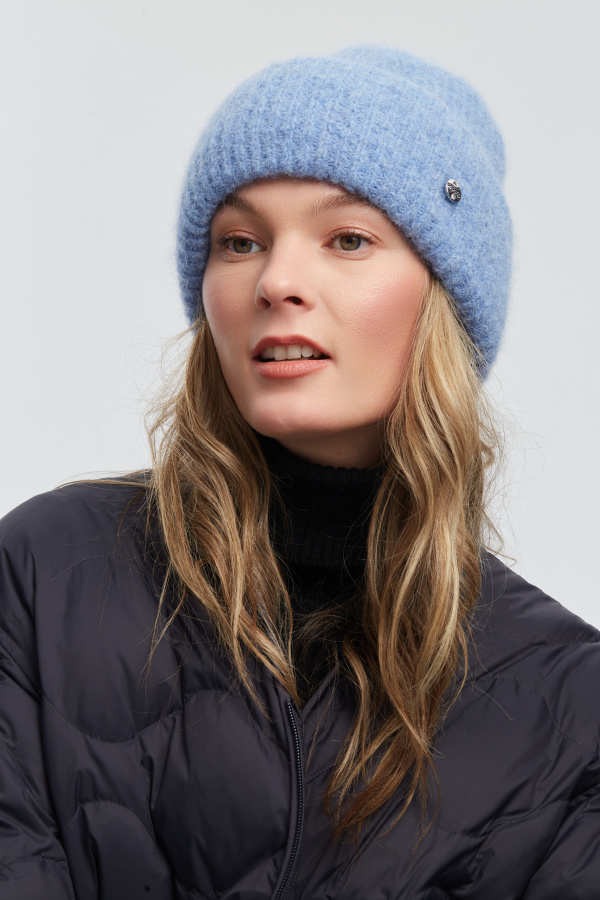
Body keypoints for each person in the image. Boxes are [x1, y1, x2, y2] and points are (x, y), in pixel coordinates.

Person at [0, 45, 598, 900]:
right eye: (239, 242)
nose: (277, 281)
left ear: (443, 299)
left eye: (348, 239)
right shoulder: (45, 572)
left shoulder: (569, 701)